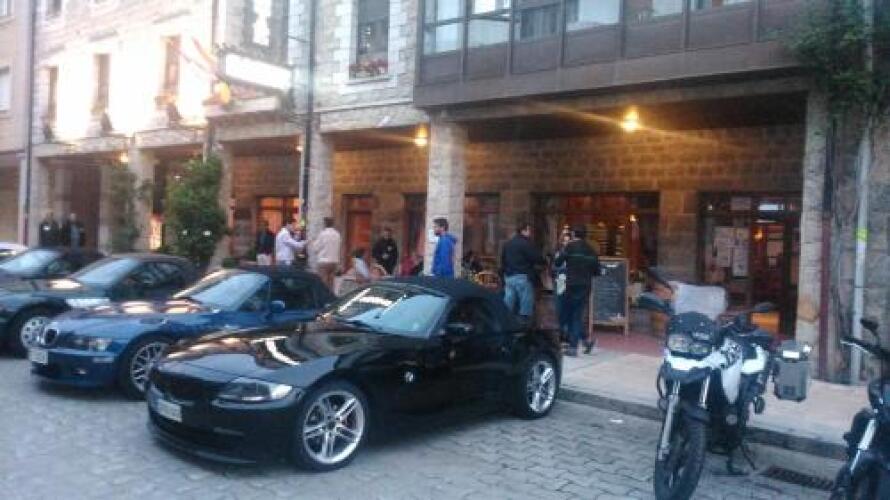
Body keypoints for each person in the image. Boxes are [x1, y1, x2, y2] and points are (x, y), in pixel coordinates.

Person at [554, 225, 601, 356]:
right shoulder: (591, 250)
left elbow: (557, 262)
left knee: (570, 314)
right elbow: (597, 271)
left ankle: (573, 347)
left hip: (571, 284)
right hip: (585, 285)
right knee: (577, 314)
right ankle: (585, 341)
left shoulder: (570, 247)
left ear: (574, 234)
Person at [501, 222, 546, 323]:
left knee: (508, 302)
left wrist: (504, 273)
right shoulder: (526, 244)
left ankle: (505, 322)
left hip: (509, 276)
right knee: (525, 304)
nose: (530, 233)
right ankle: (523, 325)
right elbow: (537, 258)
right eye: (529, 230)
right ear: (523, 231)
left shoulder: (508, 244)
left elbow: (503, 260)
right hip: (522, 276)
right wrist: (543, 262)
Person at [552, 230, 572, 342]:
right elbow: (554, 267)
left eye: (568, 241)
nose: (566, 243)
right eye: (564, 241)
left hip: (570, 282)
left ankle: (567, 333)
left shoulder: (573, 253)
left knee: (568, 308)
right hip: (560, 282)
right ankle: (561, 332)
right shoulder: (558, 253)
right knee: (559, 307)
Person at [312, 217, 341, 291]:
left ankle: (323, 296)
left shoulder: (323, 234)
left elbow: (316, 248)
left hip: (324, 261)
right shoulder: (337, 234)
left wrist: (313, 242)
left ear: (325, 224)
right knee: (331, 282)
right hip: (334, 261)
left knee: (323, 282)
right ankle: (330, 296)